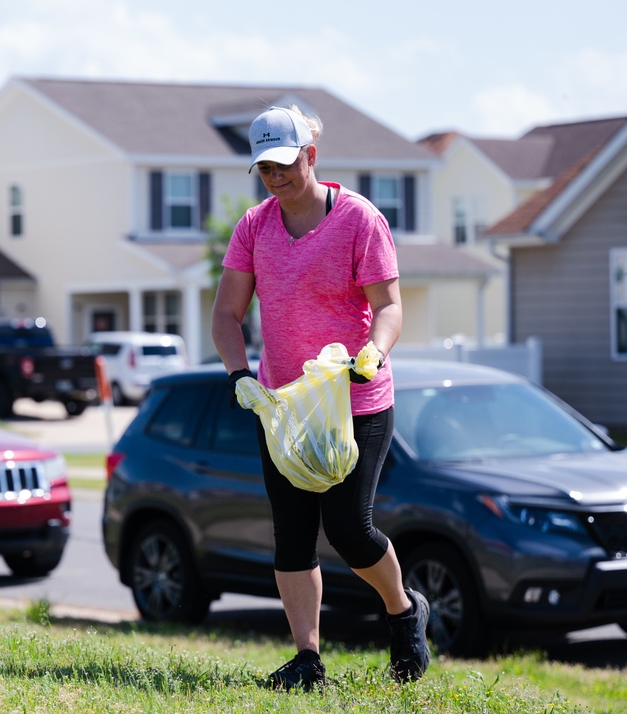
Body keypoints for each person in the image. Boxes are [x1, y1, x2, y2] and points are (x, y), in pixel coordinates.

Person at [211, 105, 430, 691]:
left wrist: (375, 354)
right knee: (293, 532)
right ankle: (308, 660)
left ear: (310, 154)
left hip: (355, 401)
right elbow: (226, 315)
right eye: (264, 167)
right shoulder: (254, 227)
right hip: (284, 409)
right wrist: (239, 375)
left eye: (284, 163)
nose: (275, 176)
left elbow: (388, 306)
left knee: (351, 530)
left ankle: (405, 612)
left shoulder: (359, 220)